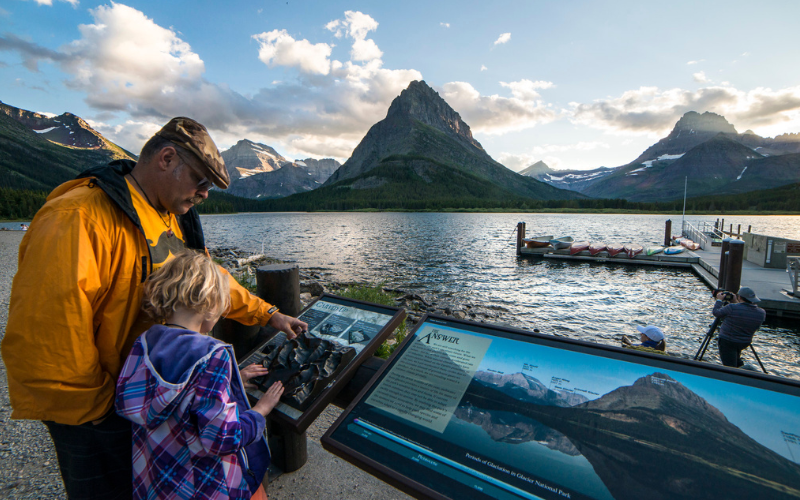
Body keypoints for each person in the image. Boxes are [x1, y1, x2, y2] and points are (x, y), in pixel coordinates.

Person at [1, 117, 307, 499]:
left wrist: (268, 314)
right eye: (201, 181)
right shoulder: (79, 216)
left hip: (142, 398)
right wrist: (100, 413)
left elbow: (206, 283)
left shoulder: (172, 217)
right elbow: (46, 334)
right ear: (166, 158)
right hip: (97, 414)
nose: (204, 194)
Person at [116, 250, 283, 500]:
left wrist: (231, 380)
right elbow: (222, 438)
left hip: (159, 482)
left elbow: (169, 394)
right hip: (205, 486)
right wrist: (260, 411)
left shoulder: (145, 341)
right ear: (210, 305)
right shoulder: (213, 355)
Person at [713, 286, 766, 368]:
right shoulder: (762, 312)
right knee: (735, 358)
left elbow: (716, 312)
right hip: (744, 342)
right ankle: (740, 367)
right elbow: (743, 312)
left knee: (729, 367)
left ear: (739, 296)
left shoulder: (731, 308)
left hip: (728, 341)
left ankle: (735, 376)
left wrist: (719, 300)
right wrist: (735, 301)